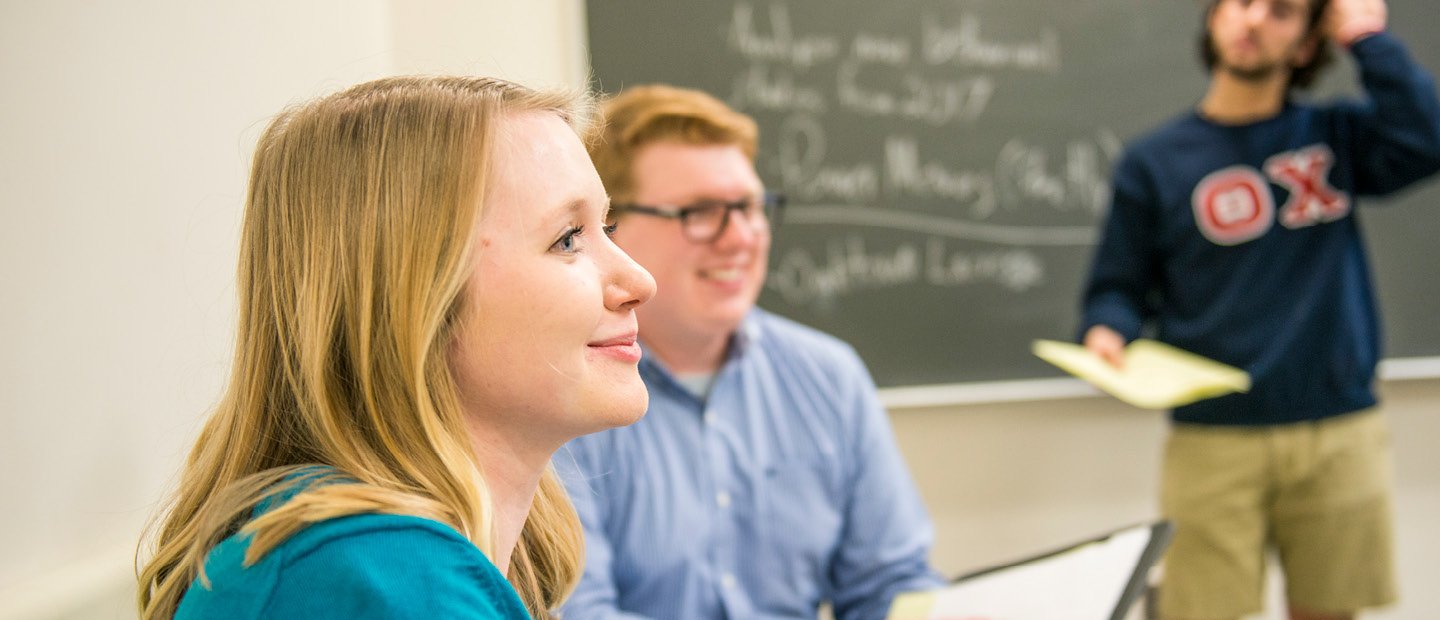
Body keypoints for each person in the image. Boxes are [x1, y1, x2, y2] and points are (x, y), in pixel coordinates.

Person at [136, 76, 657, 620]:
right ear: (412, 298)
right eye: (568, 239)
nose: (640, 281)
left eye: (608, 227)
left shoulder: (392, 558)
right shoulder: (378, 579)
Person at [1079, 0, 1440, 618]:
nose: (1252, 21)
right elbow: (1118, 285)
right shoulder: (1154, 161)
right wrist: (1106, 330)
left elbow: (1428, 138)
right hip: (1213, 437)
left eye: (1280, 11)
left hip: (1338, 426)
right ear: (1214, 18)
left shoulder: (1335, 138)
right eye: (1240, 3)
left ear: (1305, 44)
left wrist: (1364, 38)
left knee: (1331, 608)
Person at [555, 84, 945, 620]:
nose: (740, 237)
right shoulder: (565, 392)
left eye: (750, 207)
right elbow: (578, 613)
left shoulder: (828, 376)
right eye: (701, 211)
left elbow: (890, 582)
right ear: (609, 228)